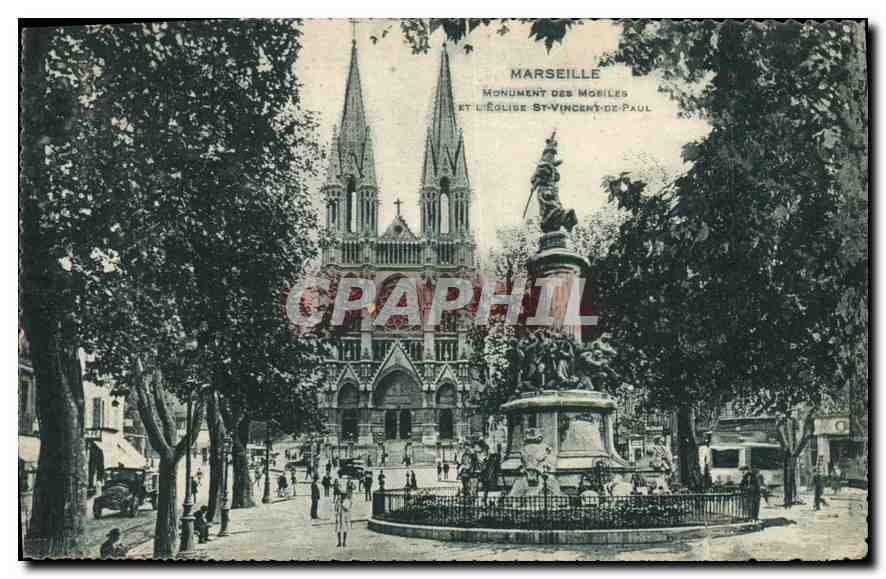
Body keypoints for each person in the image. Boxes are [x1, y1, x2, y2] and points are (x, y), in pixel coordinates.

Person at [334, 477, 353, 548]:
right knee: (338, 529)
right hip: (339, 516)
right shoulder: (338, 500)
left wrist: (342, 504)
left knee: (345, 529)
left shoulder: (347, 501)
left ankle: (344, 542)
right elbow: (335, 508)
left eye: (343, 495)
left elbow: (347, 508)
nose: (342, 496)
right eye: (341, 495)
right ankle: (339, 542)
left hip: (345, 517)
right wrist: (336, 513)